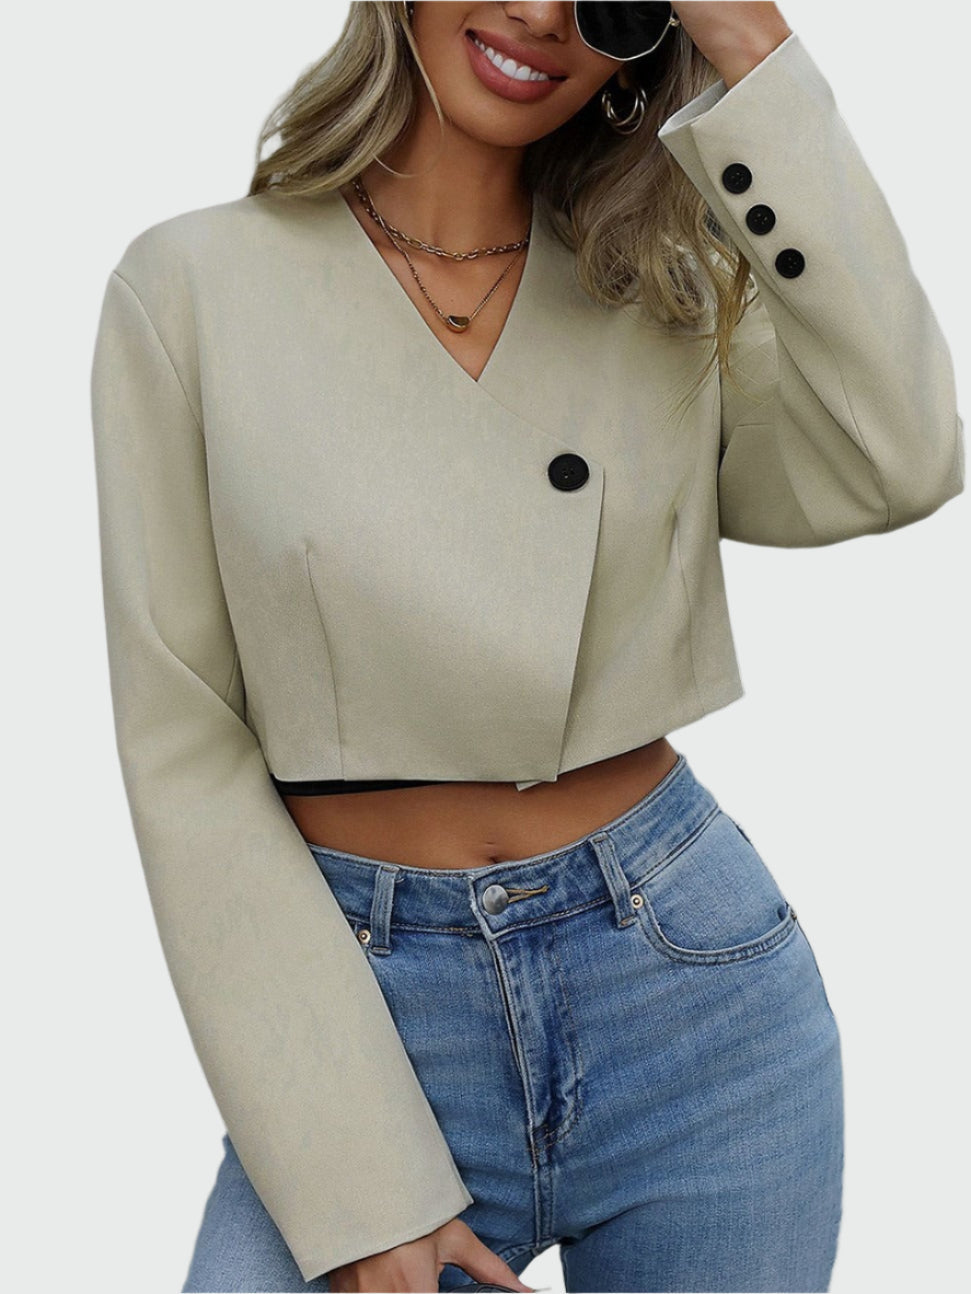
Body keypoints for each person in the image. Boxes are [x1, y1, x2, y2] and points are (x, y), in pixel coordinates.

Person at [89, 3, 964, 1292]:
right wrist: (354, 1181)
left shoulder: (663, 288)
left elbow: (900, 456)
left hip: (690, 1002)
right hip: (363, 1007)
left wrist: (754, 50)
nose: (545, 14)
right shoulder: (191, 287)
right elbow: (182, 748)